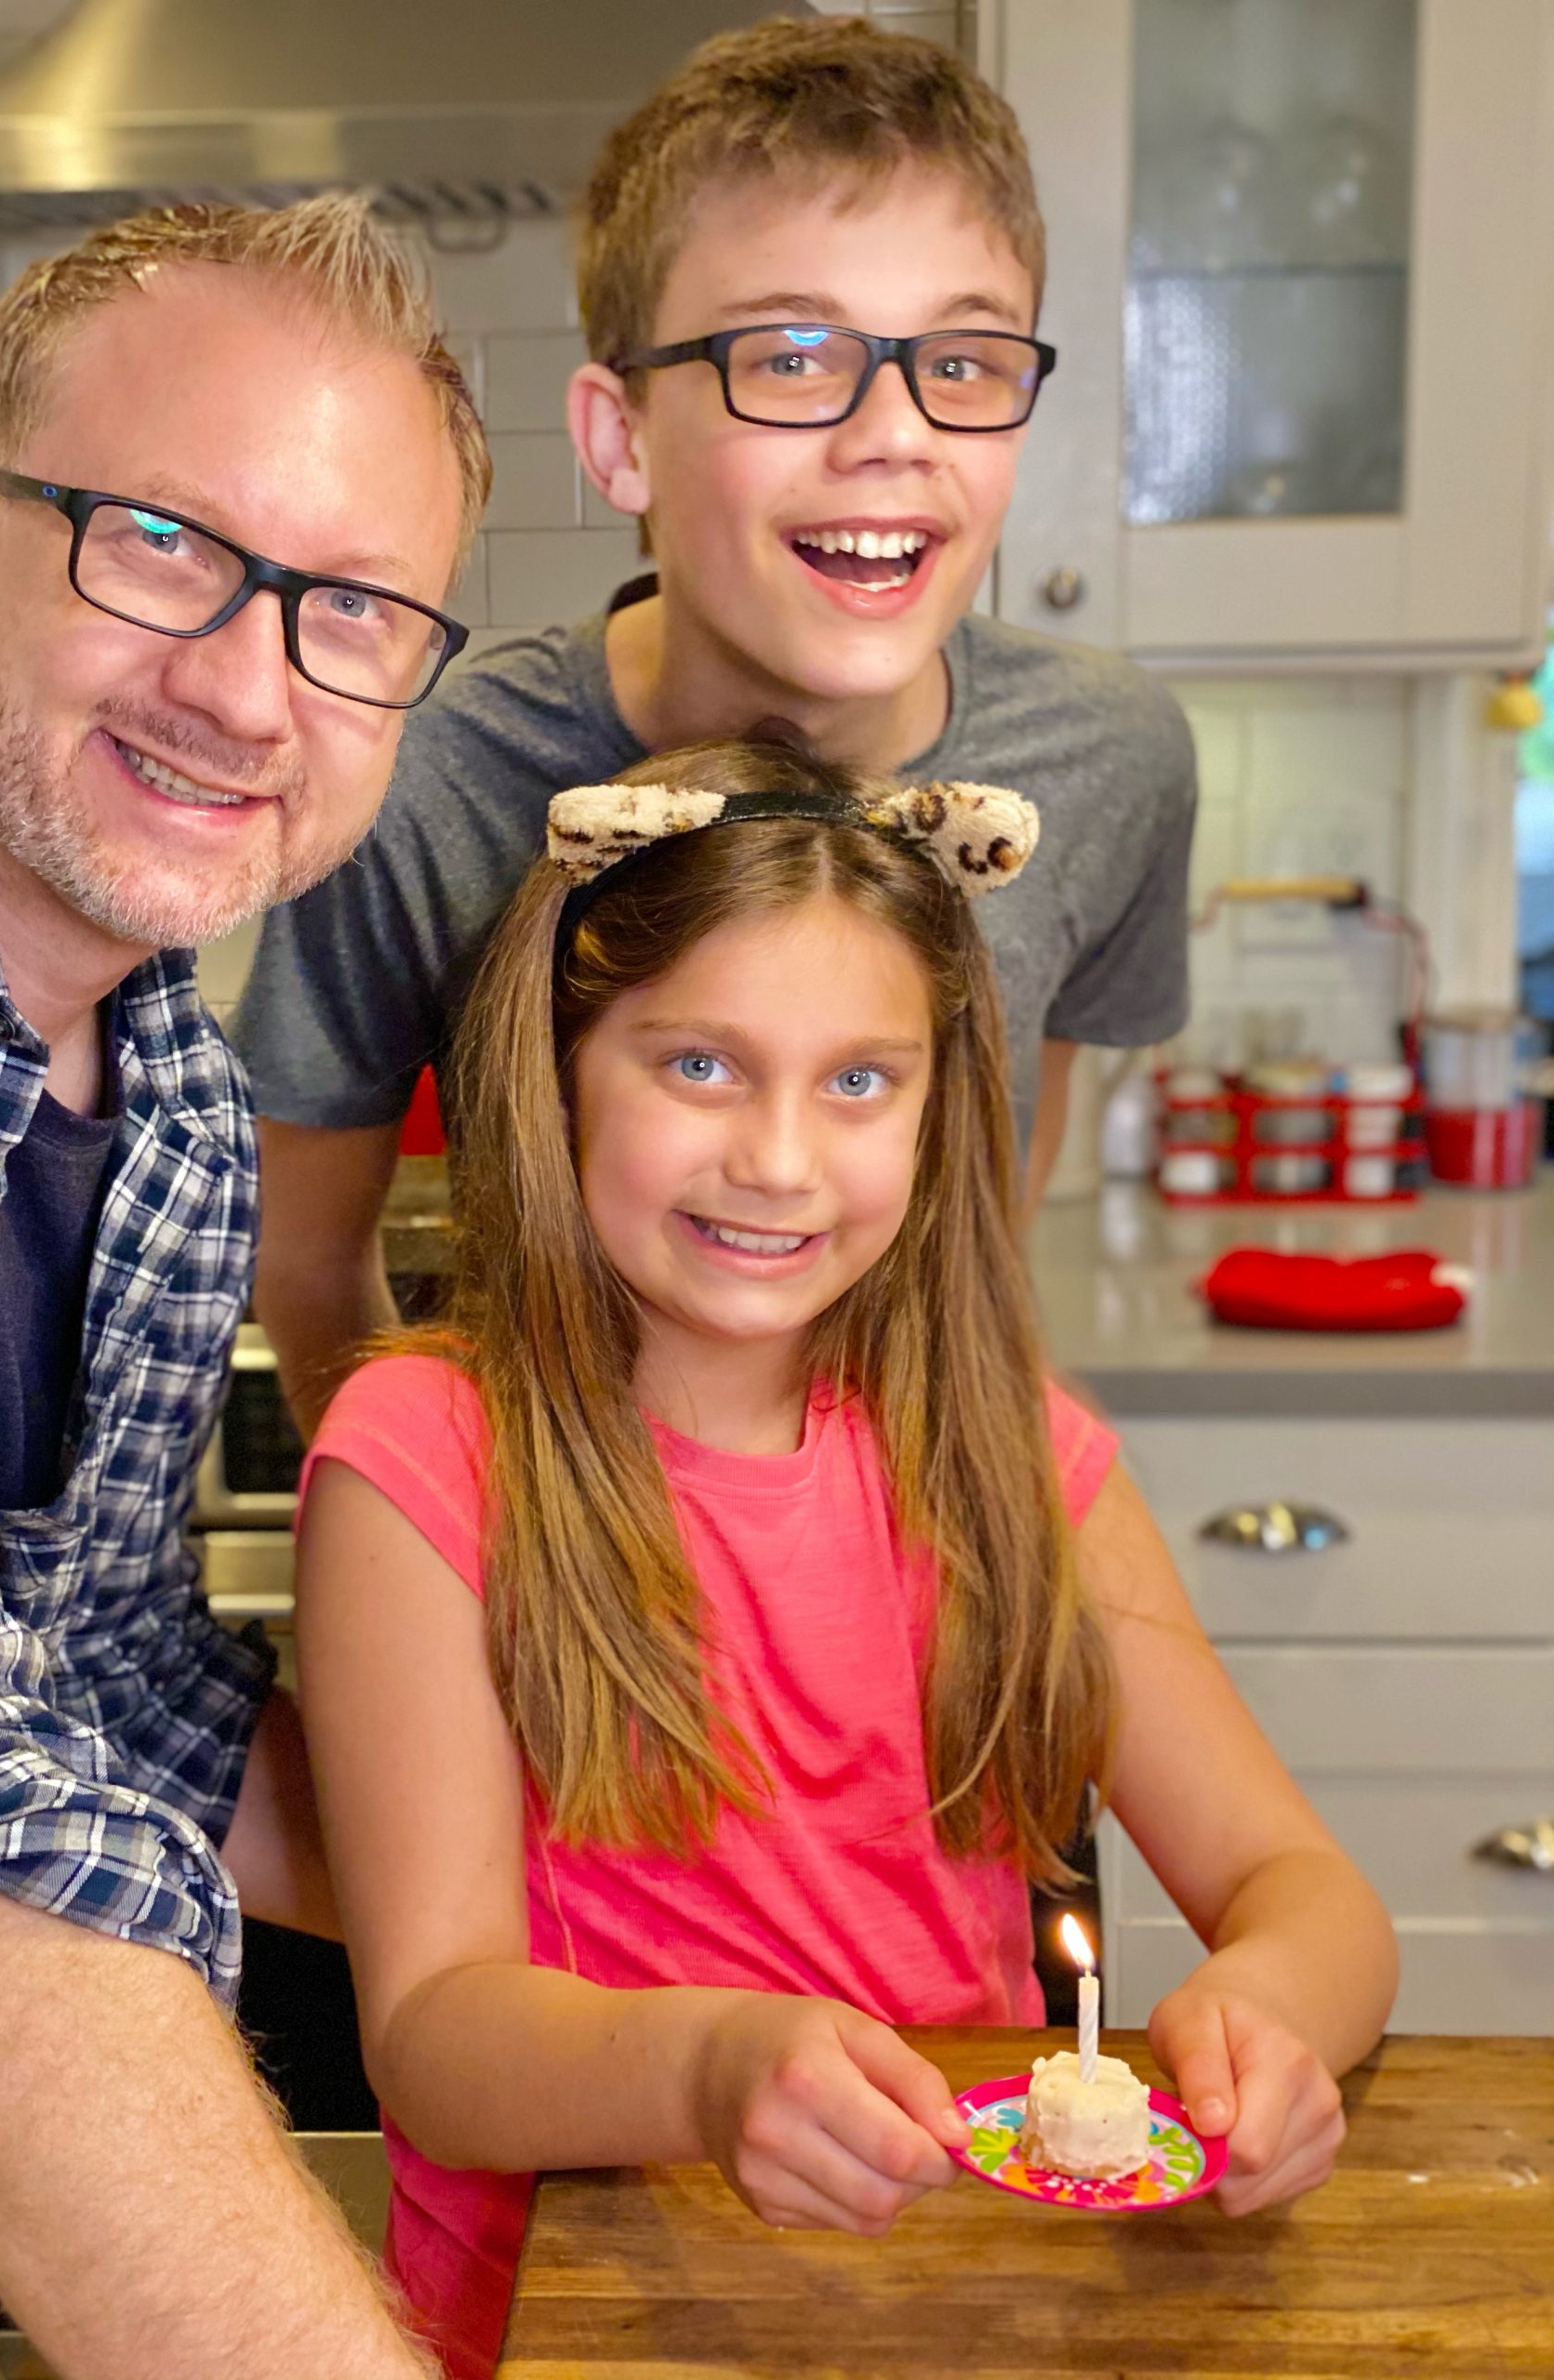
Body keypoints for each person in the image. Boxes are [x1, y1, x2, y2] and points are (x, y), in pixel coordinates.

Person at [293, 741, 1398, 2379]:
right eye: (700, 1068)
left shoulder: (1016, 1456)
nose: (784, 1161)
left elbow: (1305, 1894)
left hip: (952, 2301)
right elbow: (439, 2033)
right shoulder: (423, 1461)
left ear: (941, 1108)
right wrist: (707, 2071)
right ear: (559, 1066)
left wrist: (1279, 2021)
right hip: (584, 2317)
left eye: (861, 1082)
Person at [0, 195, 487, 2379]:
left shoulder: (170, 1096)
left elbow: (126, 1703)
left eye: (352, 607)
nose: (247, 684)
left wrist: (644, 1930)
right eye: (161, 540)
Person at [234, 15, 1200, 1442]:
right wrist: (434, 1551)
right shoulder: (417, 771)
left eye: (968, 359)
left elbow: (987, 1231)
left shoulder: (1110, 761)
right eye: (795, 356)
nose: (895, 434)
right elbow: (308, 1262)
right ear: (619, 437)